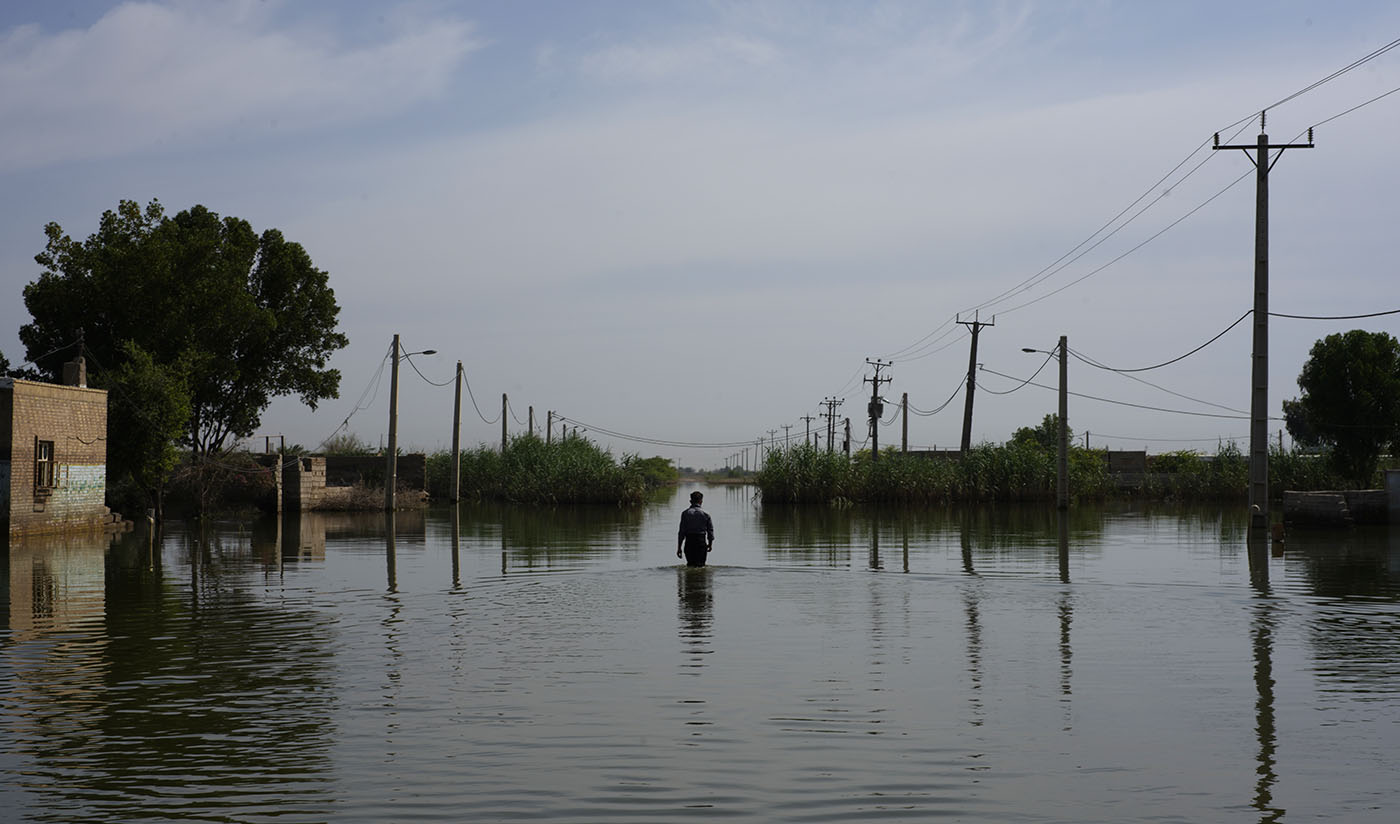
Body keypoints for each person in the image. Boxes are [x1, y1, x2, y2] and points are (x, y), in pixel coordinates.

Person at [677, 490, 714, 567]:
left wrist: (679, 548)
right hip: (701, 541)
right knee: (701, 566)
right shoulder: (706, 513)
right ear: (701, 501)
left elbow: (681, 532)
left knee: (690, 565)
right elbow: (710, 531)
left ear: (690, 501)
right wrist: (710, 544)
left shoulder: (685, 513)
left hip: (689, 542)